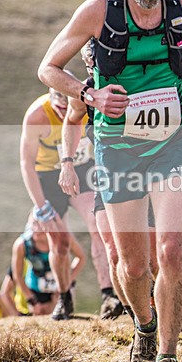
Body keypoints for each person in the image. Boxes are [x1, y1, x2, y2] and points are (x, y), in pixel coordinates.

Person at [38, 0, 182, 362]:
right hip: (117, 146)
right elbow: (48, 68)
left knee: (171, 250)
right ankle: (145, 326)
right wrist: (90, 95)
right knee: (132, 265)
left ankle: (170, 356)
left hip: (174, 139)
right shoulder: (97, 11)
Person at [59, 40, 158, 321]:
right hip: (107, 177)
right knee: (113, 252)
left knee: (152, 257)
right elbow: (71, 122)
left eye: (98, 58)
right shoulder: (84, 92)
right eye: (89, 61)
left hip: (144, 175)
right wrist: (67, 163)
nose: (94, 65)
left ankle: (155, 302)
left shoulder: (134, 82)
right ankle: (136, 316)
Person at [20, 82, 113, 320]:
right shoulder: (37, 116)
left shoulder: (85, 104)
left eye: (67, 108)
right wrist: (41, 207)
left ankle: (108, 294)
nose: (64, 114)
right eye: (59, 109)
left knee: (98, 227)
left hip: (81, 169)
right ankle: (64, 298)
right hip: (49, 178)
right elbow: (26, 164)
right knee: (59, 243)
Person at [1, 216, 87, 316]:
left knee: (63, 316)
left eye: (41, 225)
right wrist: (32, 300)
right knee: (41, 315)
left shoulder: (63, 238)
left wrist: (66, 284)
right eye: (33, 224)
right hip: (36, 289)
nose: (36, 229)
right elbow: (17, 276)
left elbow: (81, 257)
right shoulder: (22, 245)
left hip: (61, 286)